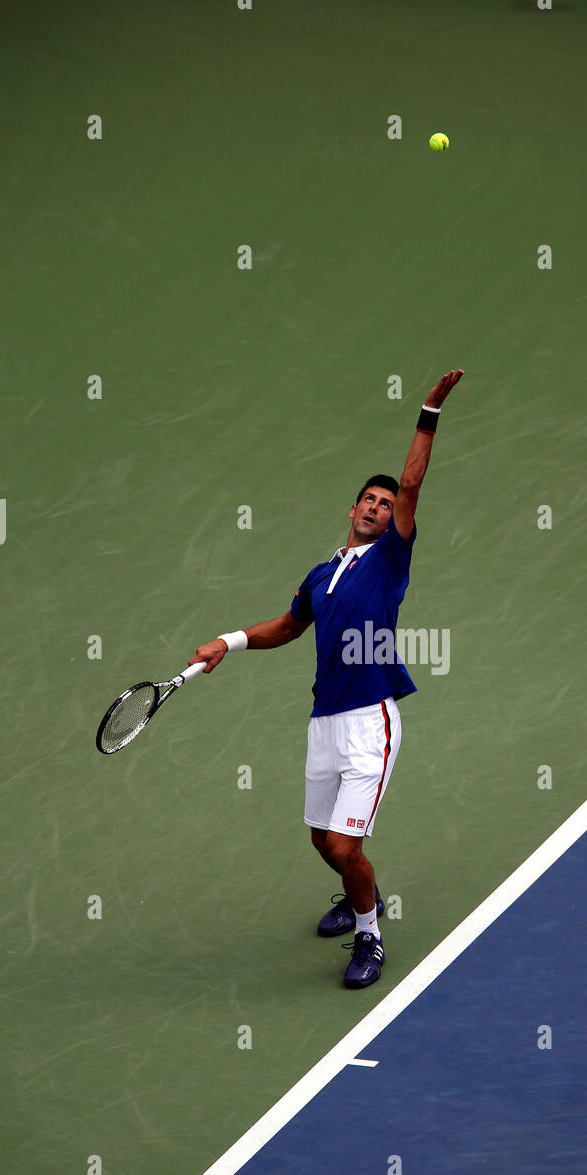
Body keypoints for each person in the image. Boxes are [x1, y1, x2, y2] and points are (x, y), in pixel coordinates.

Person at [190, 369, 464, 988]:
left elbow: (414, 478)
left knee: (344, 848)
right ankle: (362, 888)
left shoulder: (391, 559)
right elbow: (288, 628)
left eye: (387, 505)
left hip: (371, 722)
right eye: (369, 499)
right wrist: (227, 642)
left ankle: (371, 934)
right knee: (324, 842)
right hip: (325, 723)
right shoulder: (322, 574)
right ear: (352, 507)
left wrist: (428, 410)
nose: (378, 506)